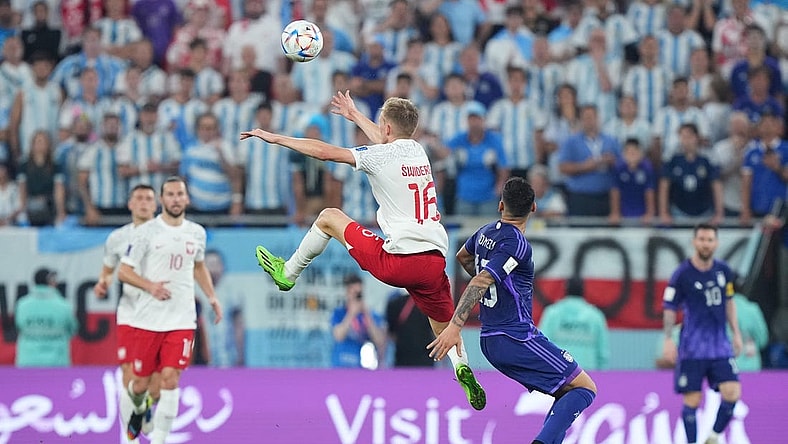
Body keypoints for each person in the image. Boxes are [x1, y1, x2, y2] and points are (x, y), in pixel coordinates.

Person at [242, 92, 487, 410]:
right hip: (433, 262)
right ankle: (462, 368)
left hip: (397, 262)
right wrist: (355, 115)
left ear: (386, 128)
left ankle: (288, 273)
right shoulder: (418, 151)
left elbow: (325, 153)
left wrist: (276, 138)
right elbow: (388, 137)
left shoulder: (378, 155)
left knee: (329, 216)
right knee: (444, 328)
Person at [427, 177, 597, 444]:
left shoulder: (485, 232)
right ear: (534, 208)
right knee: (585, 388)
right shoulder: (517, 243)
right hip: (516, 337)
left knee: (567, 392)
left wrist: (492, 287)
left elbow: (463, 256)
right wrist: (454, 327)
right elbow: (480, 280)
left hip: (490, 341)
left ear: (500, 205)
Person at [117, 176, 223, 443]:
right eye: (170, 195)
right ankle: (140, 409)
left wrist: (212, 297)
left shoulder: (197, 233)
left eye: (180, 194)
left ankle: (160, 440)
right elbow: (124, 271)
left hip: (182, 320)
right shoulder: (146, 233)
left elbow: (199, 266)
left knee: (170, 379)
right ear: (162, 199)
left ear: (187, 198)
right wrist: (150, 286)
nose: (176, 199)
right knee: (140, 385)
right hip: (148, 320)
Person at [661, 223, 743, 444]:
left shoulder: (724, 271)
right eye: (702, 239)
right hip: (692, 349)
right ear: (694, 242)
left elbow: (729, 301)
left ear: (716, 243)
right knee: (692, 400)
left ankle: (713, 436)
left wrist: (736, 332)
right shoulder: (682, 274)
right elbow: (670, 308)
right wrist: (668, 339)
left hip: (720, 346)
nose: (706, 244)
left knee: (732, 392)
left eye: (710, 240)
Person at [92, 184, 158, 441]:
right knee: (128, 375)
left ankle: (146, 406)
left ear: (156, 205)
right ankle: (131, 433)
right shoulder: (117, 238)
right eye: (138, 198)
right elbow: (108, 270)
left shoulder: (166, 235)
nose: (143, 203)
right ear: (130, 204)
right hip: (130, 313)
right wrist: (103, 284)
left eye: (148, 199)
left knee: (156, 383)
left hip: (160, 315)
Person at [538, 276, 610, 370]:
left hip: (559, 372)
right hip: (588, 374)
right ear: (583, 291)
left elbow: (542, 346)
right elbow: (602, 354)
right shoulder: (595, 315)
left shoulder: (552, 313)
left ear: (565, 290)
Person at [15, 268, 78, 367]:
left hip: (28, 359)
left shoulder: (22, 304)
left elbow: (19, 326)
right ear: (50, 282)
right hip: (57, 360)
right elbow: (73, 328)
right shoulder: (64, 305)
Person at [330, 273, 387, 368]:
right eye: (354, 293)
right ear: (347, 292)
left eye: (359, 293)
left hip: (362, 366)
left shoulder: (371, 315)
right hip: (341, 364)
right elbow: (338, 336)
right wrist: (351, 314)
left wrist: (367, 316)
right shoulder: (339, 313)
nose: (356, 297)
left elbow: (380, 341)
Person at [385, 290, 434, 367]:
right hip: (426, 360)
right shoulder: (430, 305)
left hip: (402, 359)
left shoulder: (394, 303)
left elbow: (391, 333)